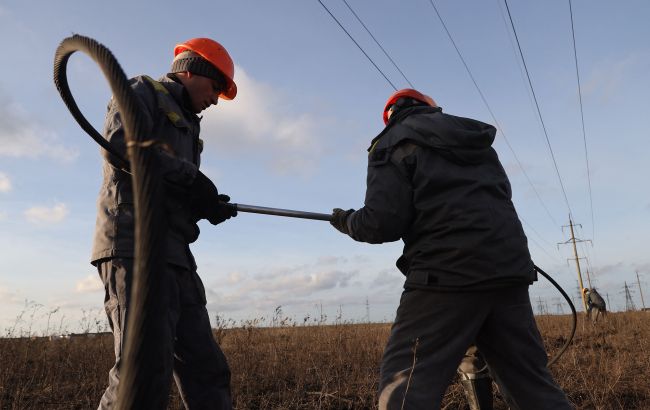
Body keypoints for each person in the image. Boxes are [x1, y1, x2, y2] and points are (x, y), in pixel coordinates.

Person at [330, 89, 572, 410]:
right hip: (509, 271)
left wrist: (346, 220)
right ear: (432, 109)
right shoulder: (476, 142)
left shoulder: (391, 142)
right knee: (532, 387)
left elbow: (381, 223)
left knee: (404, 384)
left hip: (445, 274)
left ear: (391, 115)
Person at [91, 38, 238, 409]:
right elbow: (121, 146)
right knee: (142, 375)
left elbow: (170, 183)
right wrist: (193, 180)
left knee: (207, 370)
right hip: (135, 246)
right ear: (191, 70)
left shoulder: (190, 126)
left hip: (176, 255)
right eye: (215, 87)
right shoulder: (142, 91)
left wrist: (204, 205)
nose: (217, 99)